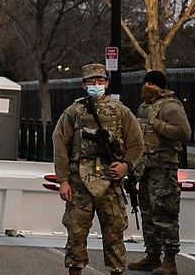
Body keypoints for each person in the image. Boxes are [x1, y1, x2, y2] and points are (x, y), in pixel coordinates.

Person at [52, 63, 144, 275]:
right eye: (91, 81)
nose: (96, 85)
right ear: (84, 85)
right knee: (76, 233)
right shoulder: (73, 112)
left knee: (114, 234)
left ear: (107, 83)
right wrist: (63, 180)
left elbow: (136, 143)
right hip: (79, 183)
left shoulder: (121, 112)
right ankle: (75, 270)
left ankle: (116, 270)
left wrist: (125, 166)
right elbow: (60, 144)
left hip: (110, 183)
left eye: (100, 81)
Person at [129, 70, 191, 274]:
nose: (147, 86)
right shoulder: (144, 107)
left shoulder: (170, 106)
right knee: (148, 213)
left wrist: (157, 123)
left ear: (160, 87)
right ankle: (153, 255)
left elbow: (183, 132)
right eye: (145, 82)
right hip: (146, 168)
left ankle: (170, 260)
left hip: (164, 169)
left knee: (165, 215)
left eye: (151, 84)